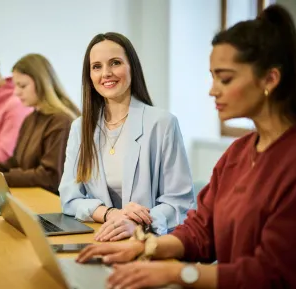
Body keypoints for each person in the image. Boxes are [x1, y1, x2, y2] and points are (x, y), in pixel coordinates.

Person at [76, 4, 296, 289]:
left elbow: (270, 275)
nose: (212, 89)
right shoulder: (238, 153)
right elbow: (200, 231)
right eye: (213, 76)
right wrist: (145, 247)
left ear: (270, 78)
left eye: (225, 78)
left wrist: (176, 274)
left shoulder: (294, 162)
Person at [58, 32, 194, 238]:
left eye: (115, 63)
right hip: (100, 235)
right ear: (89, 75)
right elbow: (69, 198)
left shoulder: (162, 123)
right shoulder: (80, 127)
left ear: (132, 67)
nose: (106, 73)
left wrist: (137, 222)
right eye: (97, 66)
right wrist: (111, 214)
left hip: (148, 240)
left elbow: (179, 202)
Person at [0, 54, 81, 194]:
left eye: (22, 86)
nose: (16, 92)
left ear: (42, 84)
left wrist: (1, 178)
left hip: (51, 203)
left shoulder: (61, 121)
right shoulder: (31, 118)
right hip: (31, 196)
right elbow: (15, 162)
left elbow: (49, 177)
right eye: (15, 86)